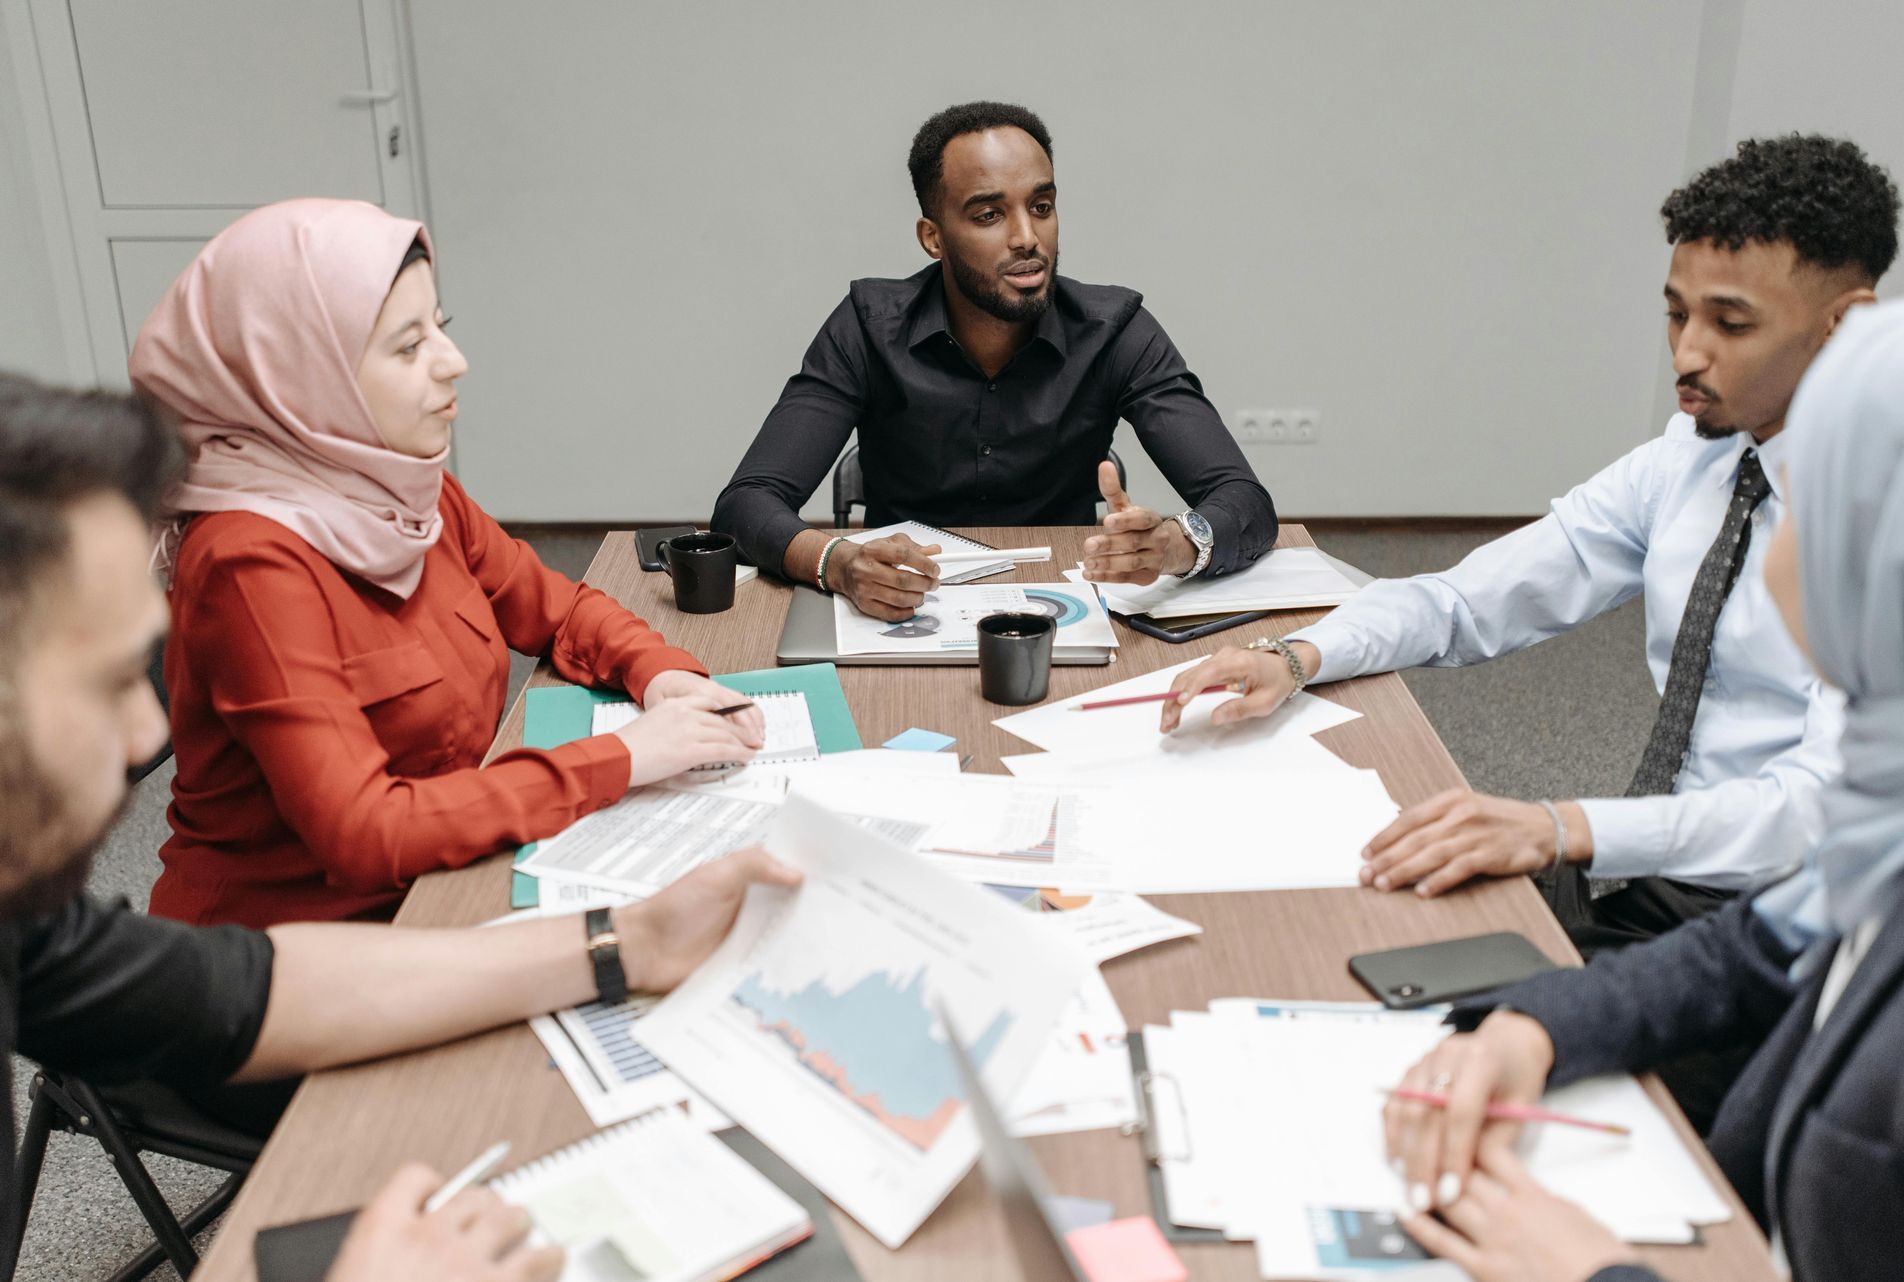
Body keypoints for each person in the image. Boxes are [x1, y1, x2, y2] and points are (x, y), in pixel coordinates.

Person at [0, 370, 802, 1279]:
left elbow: (253, 986)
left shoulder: (28, 925)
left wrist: (627, 942)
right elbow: (360, 838)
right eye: (107, 679)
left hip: (374, 921)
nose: (152, 732)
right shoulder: (250, 558)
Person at [1164, 135, 1900, 947]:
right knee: (1352, 926)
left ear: (1845, 329)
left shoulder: (1889, 521)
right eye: (1676, 312)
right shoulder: (1693, 459)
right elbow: (1464, 600)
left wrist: (1563, 829)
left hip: (1797, 929)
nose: (1687, 353)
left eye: (1730, 323)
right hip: (1649, 872)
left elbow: (1815, 806)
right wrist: (1296, 655)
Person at [1378, 293, 1904, 1282]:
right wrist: (1535, 1025)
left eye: (1819, 493)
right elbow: (1749, 952)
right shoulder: (1897, 814)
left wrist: (1599, 1275)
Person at [128, 200, 765, 930]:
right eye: (407, 347)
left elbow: (552, 607)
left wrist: (660, 673)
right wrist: (621, 758)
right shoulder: (248, 562)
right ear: (298, 377)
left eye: (442, 327)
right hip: (289, 946)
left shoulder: (400, 484)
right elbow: (367, 833)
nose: (453, 361)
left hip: (438, 877)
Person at [711, 100, 1278, 621]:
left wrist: (1179, 543)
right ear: (933, 238)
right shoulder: (867, 325)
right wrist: (836, 560)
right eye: (989, 215)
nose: (1028, 237)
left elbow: (1244, 501)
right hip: (898, 605)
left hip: (1063, 604)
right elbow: (746, 503)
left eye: (1042, 206)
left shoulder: (1115, 330)